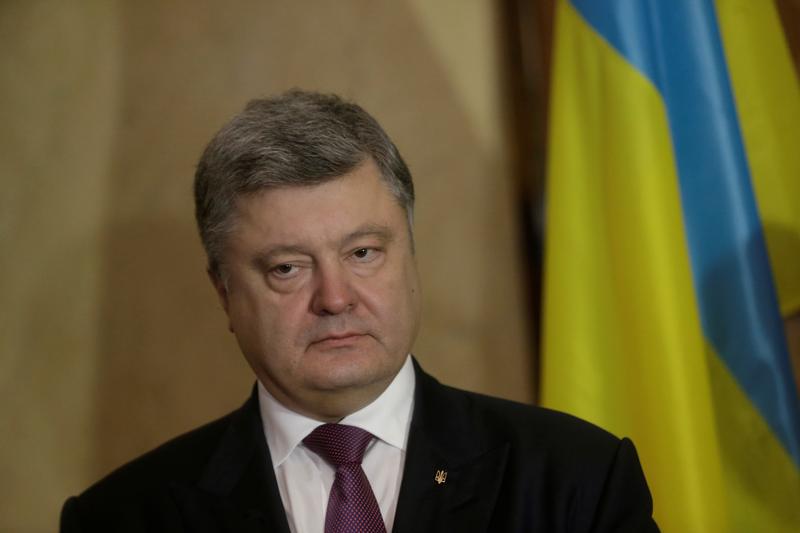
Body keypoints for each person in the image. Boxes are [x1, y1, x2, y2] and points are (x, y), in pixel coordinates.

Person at [60, 90, 659, 532]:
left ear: (412, 257)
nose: (336, 297)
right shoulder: (119, 519)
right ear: (224, 294)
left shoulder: (576, 480)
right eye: (287, 268)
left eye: (363, 252)